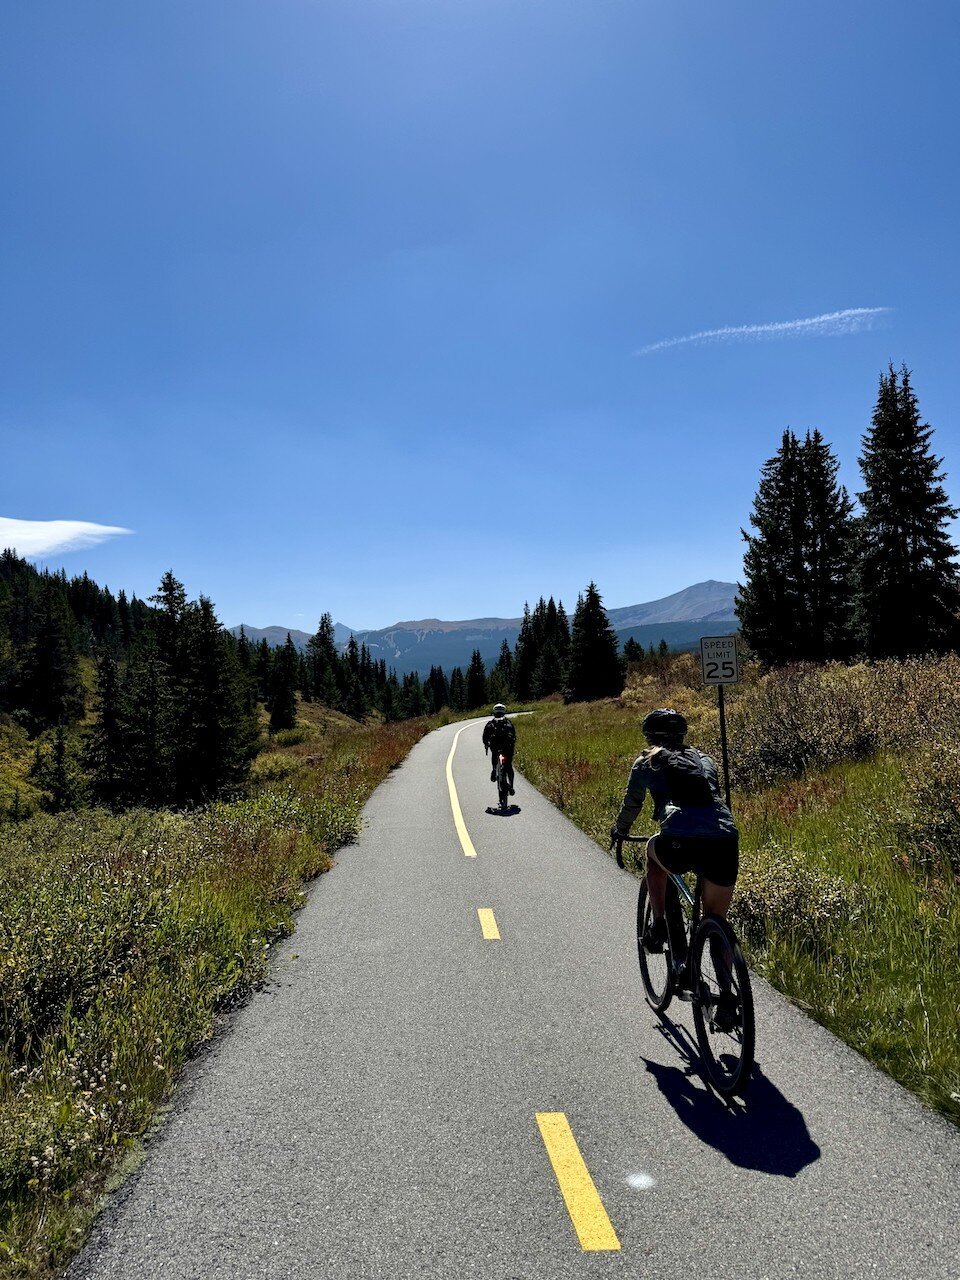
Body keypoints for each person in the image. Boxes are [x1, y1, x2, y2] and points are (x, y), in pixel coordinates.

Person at [610, 707, 739, 1024]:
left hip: (679, 840)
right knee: (716, 918)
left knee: (654, 853)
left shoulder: (647, 761)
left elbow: (633, 802)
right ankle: (727, 999)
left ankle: (657, 926)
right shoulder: (704, 760)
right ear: (682, 734)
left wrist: (620, 831)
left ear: (650, 736)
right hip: (724, 839)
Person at [483, 703, 516, 794]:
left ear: (494, 712)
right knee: (509, 766)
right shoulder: (508, 723)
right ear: (504, 712)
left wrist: (486, 744)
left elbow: (485, 736)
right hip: (507, 748)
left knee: (494, 756)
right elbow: (514, 736)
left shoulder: (490, 724)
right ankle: (511, 786)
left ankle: (494, 769)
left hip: (495, 747)